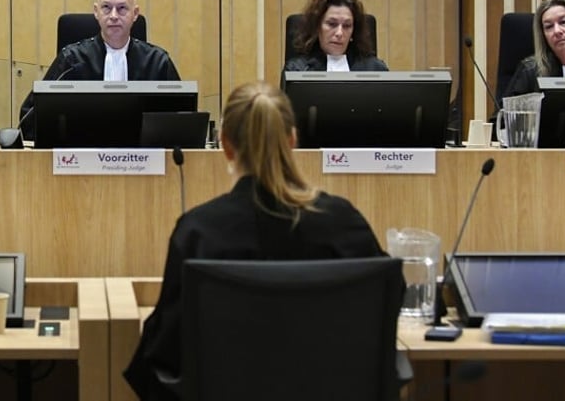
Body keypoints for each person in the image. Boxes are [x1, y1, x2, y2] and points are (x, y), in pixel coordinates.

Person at [123, 81, 387, 399]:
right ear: (292, 140)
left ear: (225, 144)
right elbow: (386, 302)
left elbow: (163, 351)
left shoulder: (199, 232)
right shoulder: (343, 223)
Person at [18, 0, 181, 140]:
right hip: (81, 152)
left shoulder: (158, 62)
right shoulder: (72, 60)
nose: (114, 16)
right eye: (106, 8)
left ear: (135, 13)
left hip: (142, 154)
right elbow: (30, 118)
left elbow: (181, 120)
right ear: (96, 12)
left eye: (122, 8)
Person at [283, 0, 388, 75]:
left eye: (347, 26)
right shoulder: (297, 70)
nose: (339, 33)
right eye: (332, 24)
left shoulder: (376, 70)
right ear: (317, 27)